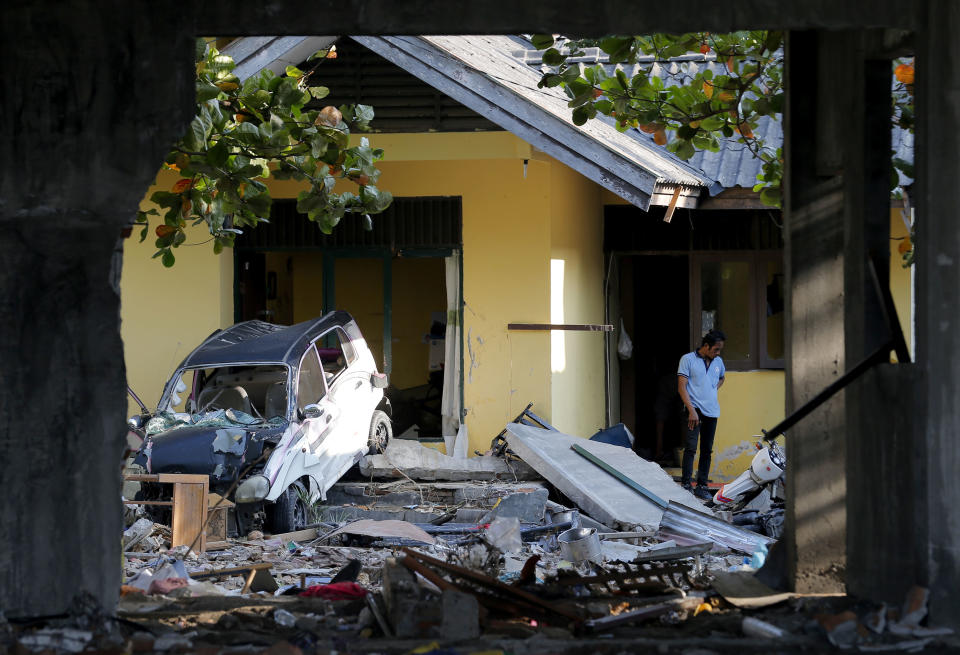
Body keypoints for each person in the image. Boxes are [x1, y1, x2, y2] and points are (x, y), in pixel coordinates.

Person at [677, 329, 726, 499]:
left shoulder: (718, 361)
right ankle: (686, 484)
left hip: (712, 411)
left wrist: (713, 389)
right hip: (694, 410)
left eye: (720, 350)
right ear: (706, 346)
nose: (718, 353)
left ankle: (702, 485)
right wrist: (691, 410)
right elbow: (681, 386)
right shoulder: (688, 359)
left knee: (706, 450)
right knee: (691, 448)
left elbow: (721, 378)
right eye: (716, 349)